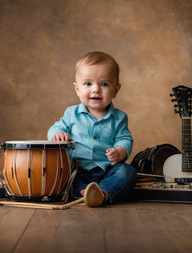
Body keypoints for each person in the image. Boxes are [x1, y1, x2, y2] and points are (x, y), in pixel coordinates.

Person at [47, 51, 137, 207]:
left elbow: (125, 138)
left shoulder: (119, 117)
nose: (96, 89)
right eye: (88, 84)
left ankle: (102, 193)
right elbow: (55, 128)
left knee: (127, 172)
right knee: (60, 174)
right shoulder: (71, 113)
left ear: (116, 90)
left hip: (107, 170)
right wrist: (58, 134)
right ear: (77, 89)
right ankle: (83, 192)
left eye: (104, 84)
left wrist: (120, 151)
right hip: (77, 169)